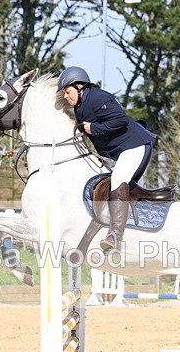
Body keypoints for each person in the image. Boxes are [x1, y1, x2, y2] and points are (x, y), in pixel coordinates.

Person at [57, 66, 157, 252]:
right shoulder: (80, 106)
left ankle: (115, 236)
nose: (66, 97)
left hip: (136, 145)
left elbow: (120, 120)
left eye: (67, 91)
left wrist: (93, 129)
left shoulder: (97, 97)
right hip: (123, 151)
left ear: (79, 86)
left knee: (118, 180)